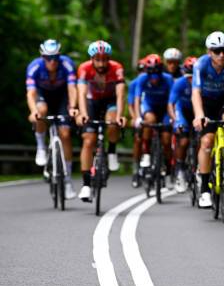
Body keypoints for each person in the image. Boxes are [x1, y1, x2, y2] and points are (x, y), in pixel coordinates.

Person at [26, 39, 78, 199]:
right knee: (41, 111)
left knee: (65, 134)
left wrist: (73, 107)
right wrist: (33, 111)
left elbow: (72, 88)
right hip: (43, 97)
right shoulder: (34, 67)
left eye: (55, 57)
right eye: (48, 58)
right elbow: (31, 93)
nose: (52, 61)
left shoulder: (67, 64)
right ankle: (41, 147)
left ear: (59, 56)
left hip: (62, 98)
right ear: (42, 57)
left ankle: (68, 180)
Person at [191, 31, 224, 208]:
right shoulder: (201, 64)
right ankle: (204, 189)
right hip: (207, 104)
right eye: (217, 51)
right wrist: (198, 114)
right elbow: (195, 92)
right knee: (207, 142)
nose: (222, 55)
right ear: (209, 52)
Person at [76, 40, 126, 201]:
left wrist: (120, 115)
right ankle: (85, 184)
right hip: (92, 102)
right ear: (91, 59)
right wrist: (83, 114)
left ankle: (111, 151)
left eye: (104, 59)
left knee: (112, 121)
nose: (101, 63)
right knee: (88, 140)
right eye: (97, 59)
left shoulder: (117, 68)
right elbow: (82, 95)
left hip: (110, 101)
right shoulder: (84, 68)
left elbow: (120, 95)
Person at [134, 54, 174, 175]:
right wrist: (137, 116)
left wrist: (173, 117)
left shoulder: (168, 79)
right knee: (149, 120)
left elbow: (173, 100)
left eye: (157, 73)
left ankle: (167, 163)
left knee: (166, 140)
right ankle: (146, 153)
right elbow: (137, 99)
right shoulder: (142, 79)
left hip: (165, 108)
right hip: (149, 106)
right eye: (151, 73)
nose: (154, 78)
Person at [168, 56, 198, 193]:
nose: (192, 80)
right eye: (189, 77)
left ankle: (199, 168)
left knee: (202, 141)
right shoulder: (180, 82)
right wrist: (175, 120)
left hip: (198, 111)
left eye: (194, 76)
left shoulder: (204, 82)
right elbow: (171, 104)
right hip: (183, 111)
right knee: (184, 140)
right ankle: (180, 170)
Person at [128, 58, 147, 187]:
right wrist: (135, 117)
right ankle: (136, 167)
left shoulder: (153, 81)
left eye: (144, 70)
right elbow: (130, 104)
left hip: (150, 112)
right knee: (137, 139)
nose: (142, 73)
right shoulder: (134, 84)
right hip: (138, 113)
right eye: (140, 71)